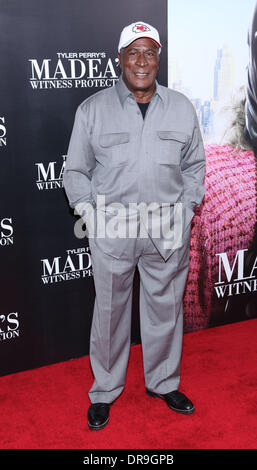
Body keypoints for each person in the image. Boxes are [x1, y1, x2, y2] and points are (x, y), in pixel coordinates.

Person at [63, 21, 205, 431]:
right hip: (113, 233)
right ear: (120, 58)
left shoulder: (181, 107)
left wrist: (187, 209)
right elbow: (75, 171)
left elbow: (195, 166)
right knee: (109, 315)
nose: (142, 61)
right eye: (134, 52)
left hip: (167, 230)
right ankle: (105, 390)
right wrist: (91, 216)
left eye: (150, 52)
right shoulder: (92, 110)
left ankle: (163, 382)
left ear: (158, 59)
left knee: (165, 312)